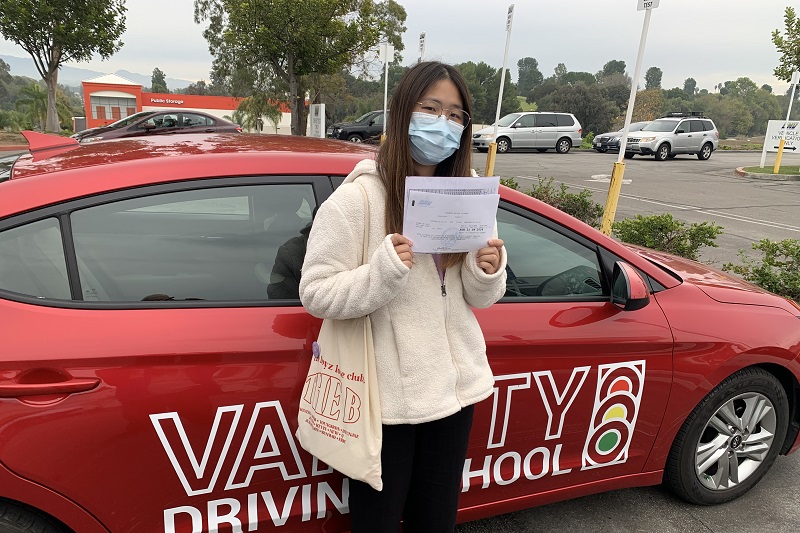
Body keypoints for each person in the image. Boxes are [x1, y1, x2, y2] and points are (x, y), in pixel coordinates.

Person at [299, 61, 506, 532]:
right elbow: (315, 292)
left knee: (436, 522)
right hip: (386, 405)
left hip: (454, 396)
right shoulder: (360, 199)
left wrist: (485, 271)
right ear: (402, 113)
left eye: (456, 115)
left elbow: (477, 297)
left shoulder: (468, 197)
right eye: (430, 108)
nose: (444, 123)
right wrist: (384, 272)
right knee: (378, 524)